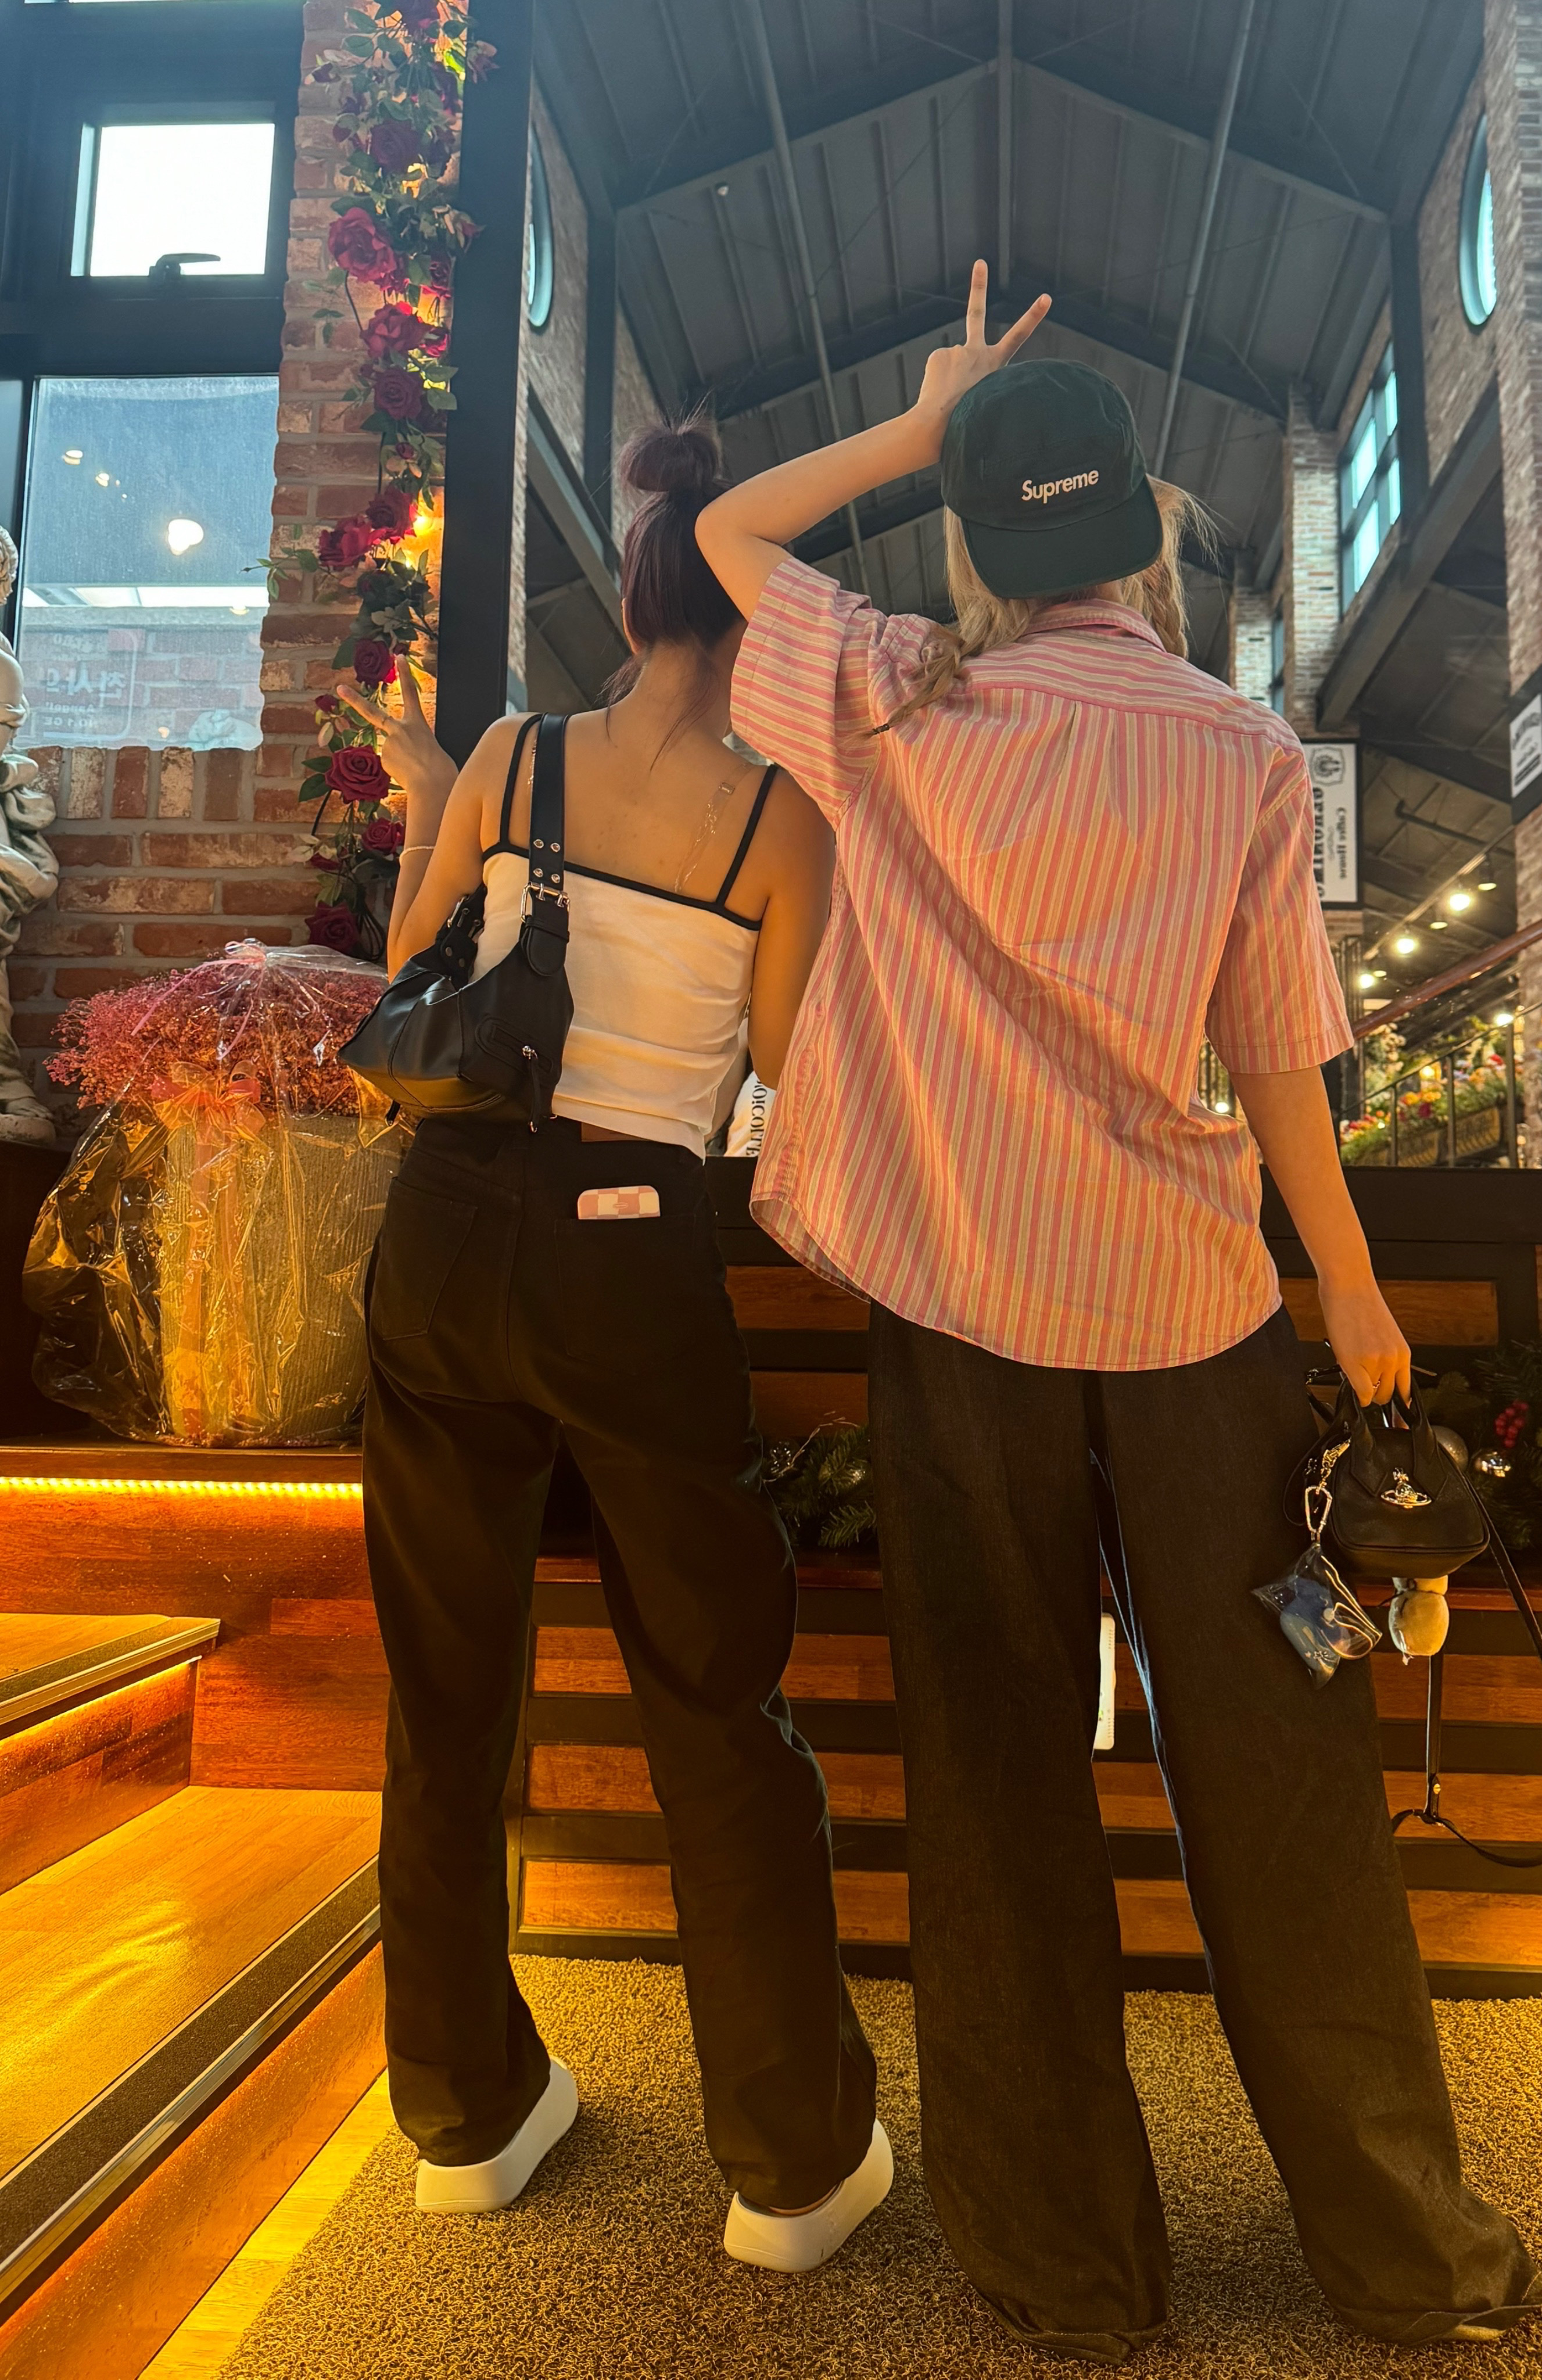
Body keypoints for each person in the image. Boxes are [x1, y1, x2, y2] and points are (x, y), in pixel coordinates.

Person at [693, 266, 1542, 2362]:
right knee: (1284, 1771)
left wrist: (925, 422)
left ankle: (1071, 2265)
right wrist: (1352, 1289)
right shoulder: (1243, 749)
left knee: (995, 1779)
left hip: (960, 1313)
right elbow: (1278, 1054)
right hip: (1194, 1319)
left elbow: (722, 536)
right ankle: (1407, 2250)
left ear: (981, 548)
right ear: (1154, 534)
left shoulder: (896, 700)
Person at [347, 420, 892, 2271]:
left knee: (444, 1688)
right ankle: (791, 2165)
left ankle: (464, 2113)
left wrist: (446, 798)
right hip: (631, 1251)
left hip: (444, 1235)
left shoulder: (515, 755)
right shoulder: (781, 821)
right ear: (762, 628)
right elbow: (789, 1077)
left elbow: (415, 979)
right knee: (713, 1696)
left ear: (636, 598)